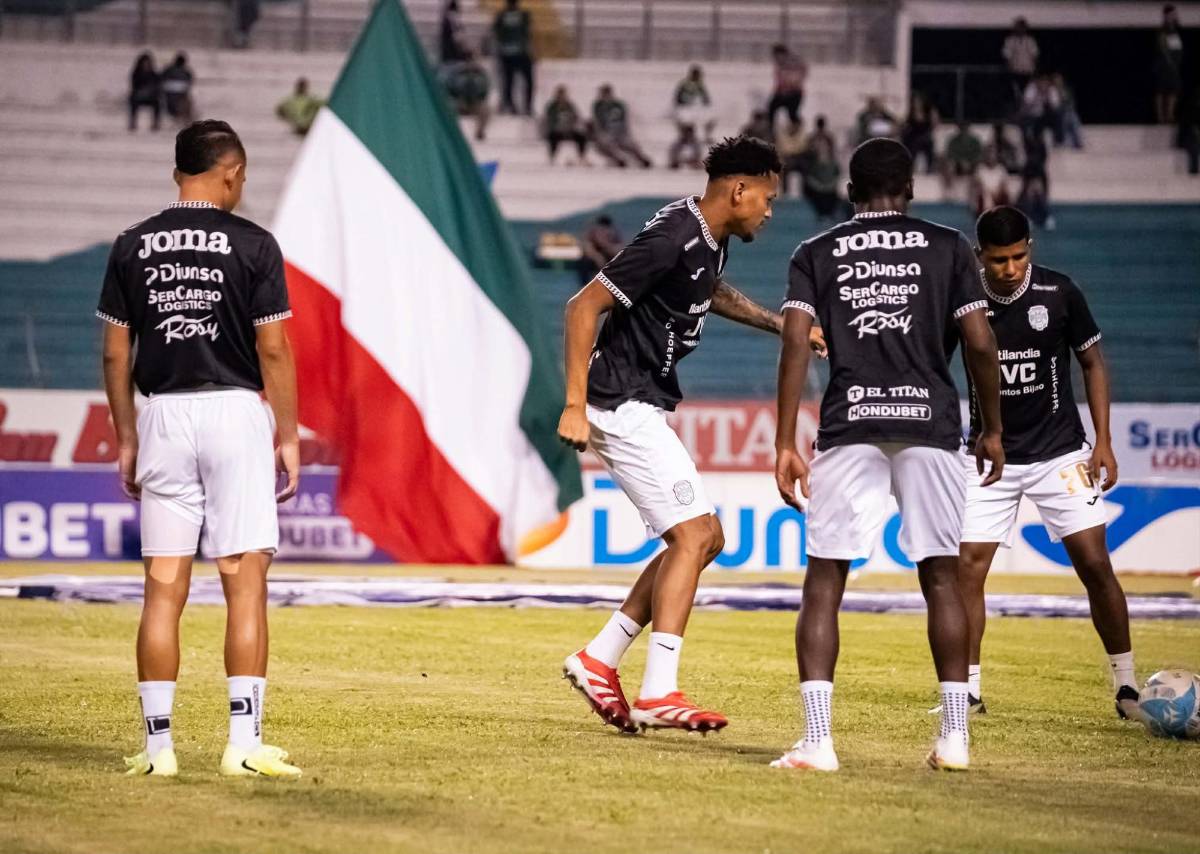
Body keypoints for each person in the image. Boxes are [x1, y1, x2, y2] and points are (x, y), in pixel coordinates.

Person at [558, 136, 823, 735]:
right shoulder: (674, 234)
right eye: (768, 197)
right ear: (739, 190)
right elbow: (582, 307)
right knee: (695, 536)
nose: (770, 210)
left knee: (705, 539)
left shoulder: (707, 239)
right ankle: (658, 691)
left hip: (639, 401)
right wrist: (574, 405)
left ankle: (600, 657)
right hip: (618, 401)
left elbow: (706, 291)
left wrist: (779, 325)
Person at [772, 138, 1004, 773]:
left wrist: (784, 439)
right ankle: (955, 738)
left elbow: (795, 341)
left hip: (850, 425)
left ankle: (818, 742)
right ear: (910, 191)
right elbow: (981, 342)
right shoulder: (951, 246)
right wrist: (992, 428)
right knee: (941, 577)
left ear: (849, 192)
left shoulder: (815, 252)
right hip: (930, 421)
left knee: (826, 581)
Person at [98, 120, 301, 779]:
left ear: (177, 171)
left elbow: (114, 352)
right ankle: (243, 745)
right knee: (244, 587)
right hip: (234, 412)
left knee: (162, 590)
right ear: (232, 173)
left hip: (162, 414)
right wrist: (289, 434)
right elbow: (274, 348)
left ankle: (159, 752)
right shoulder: (254, 244)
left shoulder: (131, 245)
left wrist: (127, 433)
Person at [957, 205, 1137, 719]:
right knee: (967, 569)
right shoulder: (964, 302)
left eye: (1017, 257)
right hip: (990, 456)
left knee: (1095, 563)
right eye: (997, 260)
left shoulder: (1060, 293)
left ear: (1029, 248)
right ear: (980, 257)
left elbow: (1092, 362)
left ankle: (1126, 687)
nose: (1009, 268)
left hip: (1060, 451)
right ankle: (966, 692)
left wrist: (1103, 441)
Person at [590, 84, 652, 168]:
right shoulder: (598, 105)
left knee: (629, 144)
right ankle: (617, 159)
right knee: (605, 143)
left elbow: (624, 121)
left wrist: (625, 133)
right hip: (606, 132)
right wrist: (601, 133)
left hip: (619, 131)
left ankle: (641, 159)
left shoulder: (618, 105)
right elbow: (597, 122)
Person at [492, 0, 534, 116]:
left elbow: (496, 33)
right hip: (519, 53)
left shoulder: (501, 16)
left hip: (508, 53)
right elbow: (527, 34)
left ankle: (512, 106)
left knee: (509, 81)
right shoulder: (523, 15)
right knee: (526, 81)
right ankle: (525, 106)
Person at [444, 51, 491, 142]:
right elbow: (448, 88)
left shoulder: (481, 74)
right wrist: (457, 98)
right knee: (448, 108)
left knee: (486, 110)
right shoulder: (455, 74)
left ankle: (479, 132)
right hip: (459, 102)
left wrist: (478, 100)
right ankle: (451, 132)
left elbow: (485, 90)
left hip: (474, 103)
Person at [543, 86, 589, 165]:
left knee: (581, 137)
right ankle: (552, 157)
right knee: (553, 136)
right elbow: (549, 120)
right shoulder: (552, 106)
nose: (562, 97)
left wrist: (571, 126)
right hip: (557, 130)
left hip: (569, 129)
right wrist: (558, 127)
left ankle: (582, 156)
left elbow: (576, 117)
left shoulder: (570, 105)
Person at [1155, 4, 1184, 124]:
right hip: (1164, 66)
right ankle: (1160, 116)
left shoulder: (1176, 30)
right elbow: (1162, 46)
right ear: (1166, 16)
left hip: (1175, 66)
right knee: (1161, 90)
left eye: (1174, 14)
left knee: (1174, 90)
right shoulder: (1163, 31)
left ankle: (1170, 114)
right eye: (1171, 14)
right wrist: (1168, 62)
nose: (1173, 16)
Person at [768, 44, 808, 132]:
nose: (776, 59)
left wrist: (791, 85)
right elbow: (779, 81)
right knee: (771, 108)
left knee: (792, 113)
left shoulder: (793, 62)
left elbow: (800, 73)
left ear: (782, 54)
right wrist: (778, 91)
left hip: (794, 93)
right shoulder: (779, 64)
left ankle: (798, 131)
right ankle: (770, 130)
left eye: (777, 56)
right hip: (782, 93)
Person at [673, 65, 716, 143]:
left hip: (693, 107)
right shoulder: (685, 83)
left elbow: (705, 96)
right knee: (686, 121)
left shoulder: (699, 84)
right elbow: (678, 96)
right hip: (685, 107)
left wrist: (705, 102)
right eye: (698, 75)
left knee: (709, 120)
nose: (699, 76)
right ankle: (686, 137)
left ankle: (705, 136)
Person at [941, 122, 984, 200]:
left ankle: (973, 195)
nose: (964, 129)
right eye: (962, 127)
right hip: (957, 166)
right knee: (950, 166)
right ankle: (950, 193)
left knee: (980, 169)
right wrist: (960, 161)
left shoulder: (975, 141)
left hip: (972, 166)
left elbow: (979, 155)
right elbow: (950, 154)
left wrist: (970, 163)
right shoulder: (953, 140)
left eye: (965, 127)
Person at [577, 214, 623, 286]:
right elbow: (587, 247)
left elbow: (619, 247)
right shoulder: (592, 234)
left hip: (606, 255)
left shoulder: (612, 234)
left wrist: (609, 247)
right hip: (593, 259)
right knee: (584, 262)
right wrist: (597, 257)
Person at [802, 135, 840, 220]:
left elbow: (837, 175)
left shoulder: (833, 162)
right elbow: (809, 177)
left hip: (830, 188)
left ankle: (830, 215)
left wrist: (830, 185)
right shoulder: (812, 160)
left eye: (824, 145)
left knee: (833, 196)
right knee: (818, 196)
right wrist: (818, 186)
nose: (822, 147)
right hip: (816, 189)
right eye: (820, 145)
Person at [1002, 18, 1039, 100]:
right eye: (1018, 27)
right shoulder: (1010, 40)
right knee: (1015, 94)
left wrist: (1035, 70)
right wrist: (1009, 69)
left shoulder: (1030, 40)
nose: (1020, 29)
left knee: (1028, 93)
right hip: (1015, 71)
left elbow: (1035, 55)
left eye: (1022, 27)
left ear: (1025, 28)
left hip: (1028, 71)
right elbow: (1006, 55)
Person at [901, 92, 939, 174]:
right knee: (910, 142)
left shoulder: (928, 111)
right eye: (915, 101)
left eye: (918, 101)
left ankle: (930, 167)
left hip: (924, 134)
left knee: (926, 142)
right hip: (913, 135)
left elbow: (934, 124)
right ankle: (910, 166)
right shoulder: (911, 113)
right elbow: (906, 124)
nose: (916, 103)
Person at [971, 147, 1012, 216]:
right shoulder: (980, 169)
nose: (991, 157)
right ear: (985, 156)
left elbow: (1003, 185)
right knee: (984, 195)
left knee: (1005, 194)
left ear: (996, 156)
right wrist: (988, 195)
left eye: (993, 155)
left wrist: (996, 193)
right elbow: (978, 185)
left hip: (998, 194)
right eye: (989, 155)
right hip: (984, 195)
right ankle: (986, 214)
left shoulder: (1001, 169)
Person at [128, 52, 161, 132]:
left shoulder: (153, 74)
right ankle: (133, 123)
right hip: (139, 96)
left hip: (150, 97)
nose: (146, 64)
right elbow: (134, 86)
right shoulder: (136, 73)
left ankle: (155, 124)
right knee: (133, 100)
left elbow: (157, 86)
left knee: (157, 102)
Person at [776, 118, 808, 197]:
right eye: (794, 126)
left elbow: (803, 148)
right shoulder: (783, 136)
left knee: (806, 167)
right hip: (787, 159)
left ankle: (806, 191)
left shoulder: (802, 136)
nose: (795, 128)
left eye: (797, 127)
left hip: (799, 159)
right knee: (783, 167)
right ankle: (784, 191)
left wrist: (794, 152)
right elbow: (783, 149)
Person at [160, 53, 195, 125]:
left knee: (186, 103)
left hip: (181, 95)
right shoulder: (170, 70)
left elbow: (189, 82)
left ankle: (186, 118)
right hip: (171, 95)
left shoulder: (185, 71)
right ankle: (184, 118)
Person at [1052, 73, 1083, 149]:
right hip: (1056, 112)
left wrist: (1068, 107)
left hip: (1067, 111)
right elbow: (1054, 103)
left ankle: (1077, 141)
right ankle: (1069, 141)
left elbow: (1071, 102)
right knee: (1067, 117)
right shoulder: (1052, 90)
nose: (1057, 81)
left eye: (1059, 79)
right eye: (1056, 80)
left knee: (1073, 118)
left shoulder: (1066, 89)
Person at [439, 0, 469, 65]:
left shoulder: (449, 18)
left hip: (449, 53)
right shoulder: (453, 18)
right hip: (452, 54)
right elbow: (457, 37)